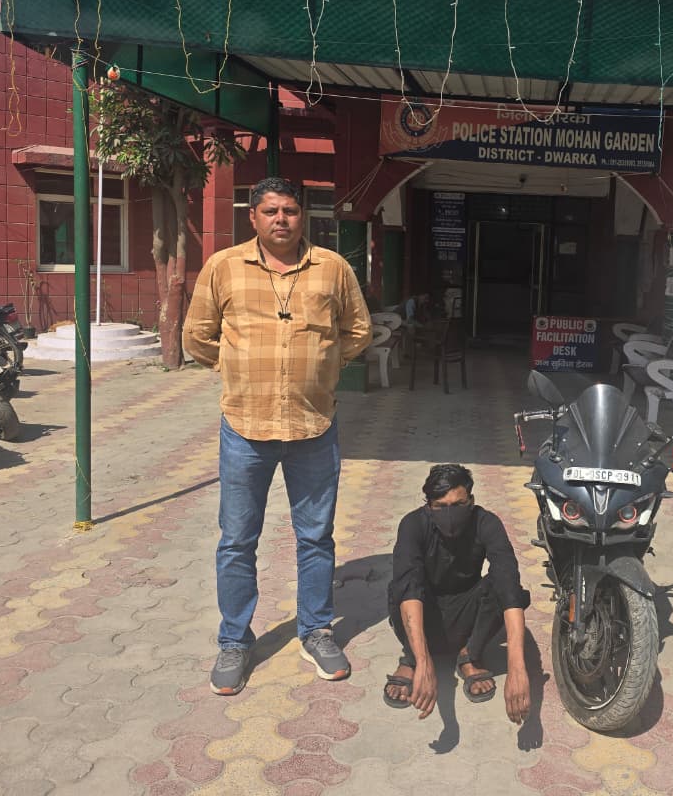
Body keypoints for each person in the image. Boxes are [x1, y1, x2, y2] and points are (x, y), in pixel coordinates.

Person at [183, 176, 373, 695]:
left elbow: (358, 330)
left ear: (302, 215)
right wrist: (237, 368)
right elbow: (196, 335)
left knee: (315, 537)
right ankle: (234, 640)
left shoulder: (332, 268)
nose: (281, 219)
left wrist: (325, 365)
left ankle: (316, 631)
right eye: (270, 211)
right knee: (237, 540)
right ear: (253, 217)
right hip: (245, 428)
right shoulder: (224, 266)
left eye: (290, 210)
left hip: (314, 425)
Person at [383, 464, 532, 724]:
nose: (450, 515)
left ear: (471, 501)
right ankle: (413, 658)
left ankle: (469, 655)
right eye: (440, 506)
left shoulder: (487, 523)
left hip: (467, 616)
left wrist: (517, 668)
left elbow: (508, 587)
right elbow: (410, 587)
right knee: (401, 588)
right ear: (428, 505)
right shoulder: (413, 524)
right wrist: (424, 663)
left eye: (458, 505)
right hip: (425, 613)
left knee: (506, 585)